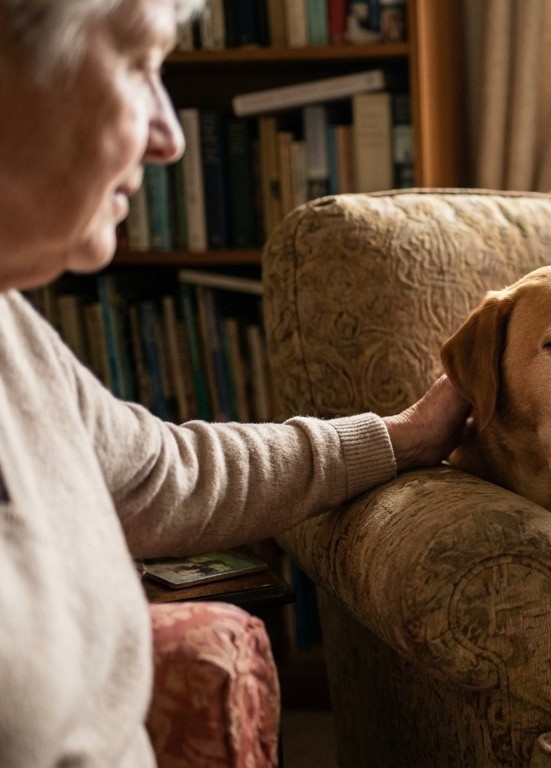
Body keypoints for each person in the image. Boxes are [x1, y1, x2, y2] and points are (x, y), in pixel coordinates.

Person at [0, 0, 470, 764]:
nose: (170, 136)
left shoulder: (13, 329)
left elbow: (163, 474)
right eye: (142, 65)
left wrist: (401, 437)